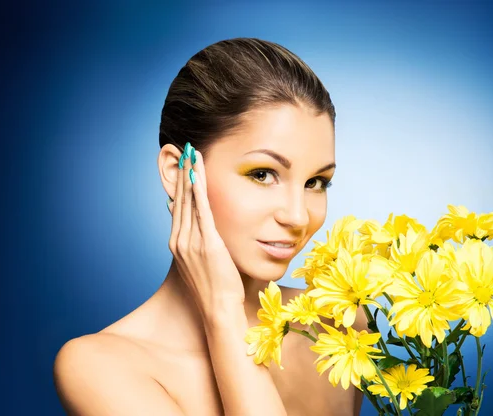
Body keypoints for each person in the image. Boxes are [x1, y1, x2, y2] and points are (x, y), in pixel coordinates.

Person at [53, 37, 368, 416]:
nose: (298, 217)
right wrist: (223, 312)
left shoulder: (337, 324)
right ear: (178, 171)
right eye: (263, 174)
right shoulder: (101, 368)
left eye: (316, 182)